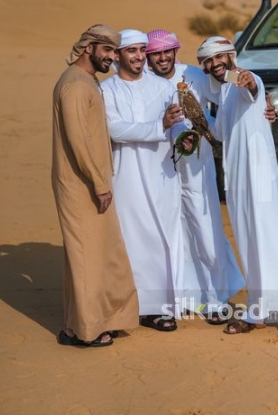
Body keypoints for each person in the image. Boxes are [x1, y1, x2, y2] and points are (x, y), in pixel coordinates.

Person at [196, 35, 278, 339]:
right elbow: (220, 133)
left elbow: (252, 89)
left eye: (220, 57)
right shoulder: (222, 92)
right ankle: (257, 311)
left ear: (230, 56)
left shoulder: (246, 79)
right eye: (209, 60)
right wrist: (198, 115)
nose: (216, 64)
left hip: (258, 177)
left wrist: (248, 82)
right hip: (237, 179)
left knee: (270, 238)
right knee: (248, 241)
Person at [145, 29, 245, 324]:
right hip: (160, 170)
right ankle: (180, 298)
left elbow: (228, 88)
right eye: (155, 54)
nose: (162, 58)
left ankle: (215, 299)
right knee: (169, 233)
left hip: (198, 166)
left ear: (175, 51)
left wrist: (259, 102)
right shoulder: (142, 83)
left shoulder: (193, 74)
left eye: (167, 51)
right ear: (148, 57)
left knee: (205, 229)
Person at [51, 24, 139, 348]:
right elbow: (79, 142)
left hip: (90, 181)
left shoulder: (86, 80)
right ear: (89, 47)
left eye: (115, 51)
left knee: (94, 253)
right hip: (81, 184)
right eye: (108, 50)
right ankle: (86, 332)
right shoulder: (75, 85)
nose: (113, 57)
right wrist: (100, 184)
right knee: (87, 255)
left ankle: (80, 324)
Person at [101, 29, 194, 332]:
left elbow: (177, 123)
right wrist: (159, 125)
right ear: (118, 55)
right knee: (133, 240)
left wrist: (182, 136)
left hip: (162, 174)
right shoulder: (107, 90)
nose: (140, 56)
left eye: (143, 50)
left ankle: (160, 307)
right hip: (126, 175)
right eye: (132, 51)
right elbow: (114, 129)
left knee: (164, 237)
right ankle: (133, 307)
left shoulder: (164, 87)